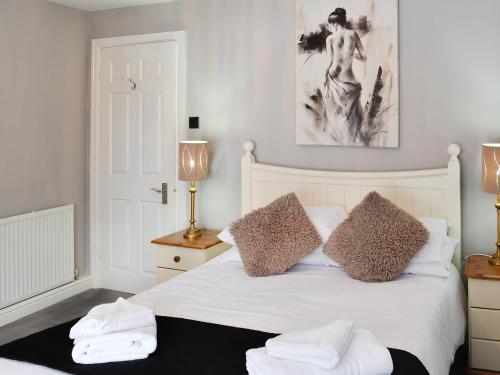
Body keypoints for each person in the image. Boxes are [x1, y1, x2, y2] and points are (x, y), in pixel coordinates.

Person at [323, 8, 366, 145]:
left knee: (334, 114)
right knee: (351, 117)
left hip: (335, 79)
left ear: (335, 23)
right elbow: (364, 57)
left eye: (330, 24)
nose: (329, 27)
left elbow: (330, 61)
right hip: (351, 81)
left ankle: (337, 140)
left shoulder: (330, 38)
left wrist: (325, 76)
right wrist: (351, 53)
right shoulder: (353, 34)